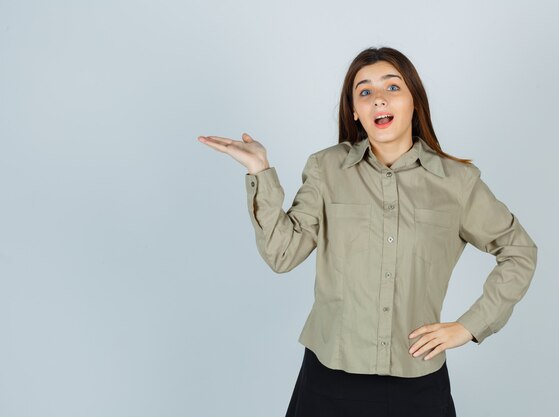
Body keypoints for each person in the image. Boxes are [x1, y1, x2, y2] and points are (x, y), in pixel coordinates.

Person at [198, 46, 538, 417]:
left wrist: (469, 326)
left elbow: (518, 250)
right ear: (355, 112)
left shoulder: (456, 183)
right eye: (365, 92)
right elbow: (283, 254)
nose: (378, 99)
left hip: (417, 384)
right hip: (328, 380)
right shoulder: (326, 169)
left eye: (392, 88)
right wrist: (259, 170)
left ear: (413, 102)